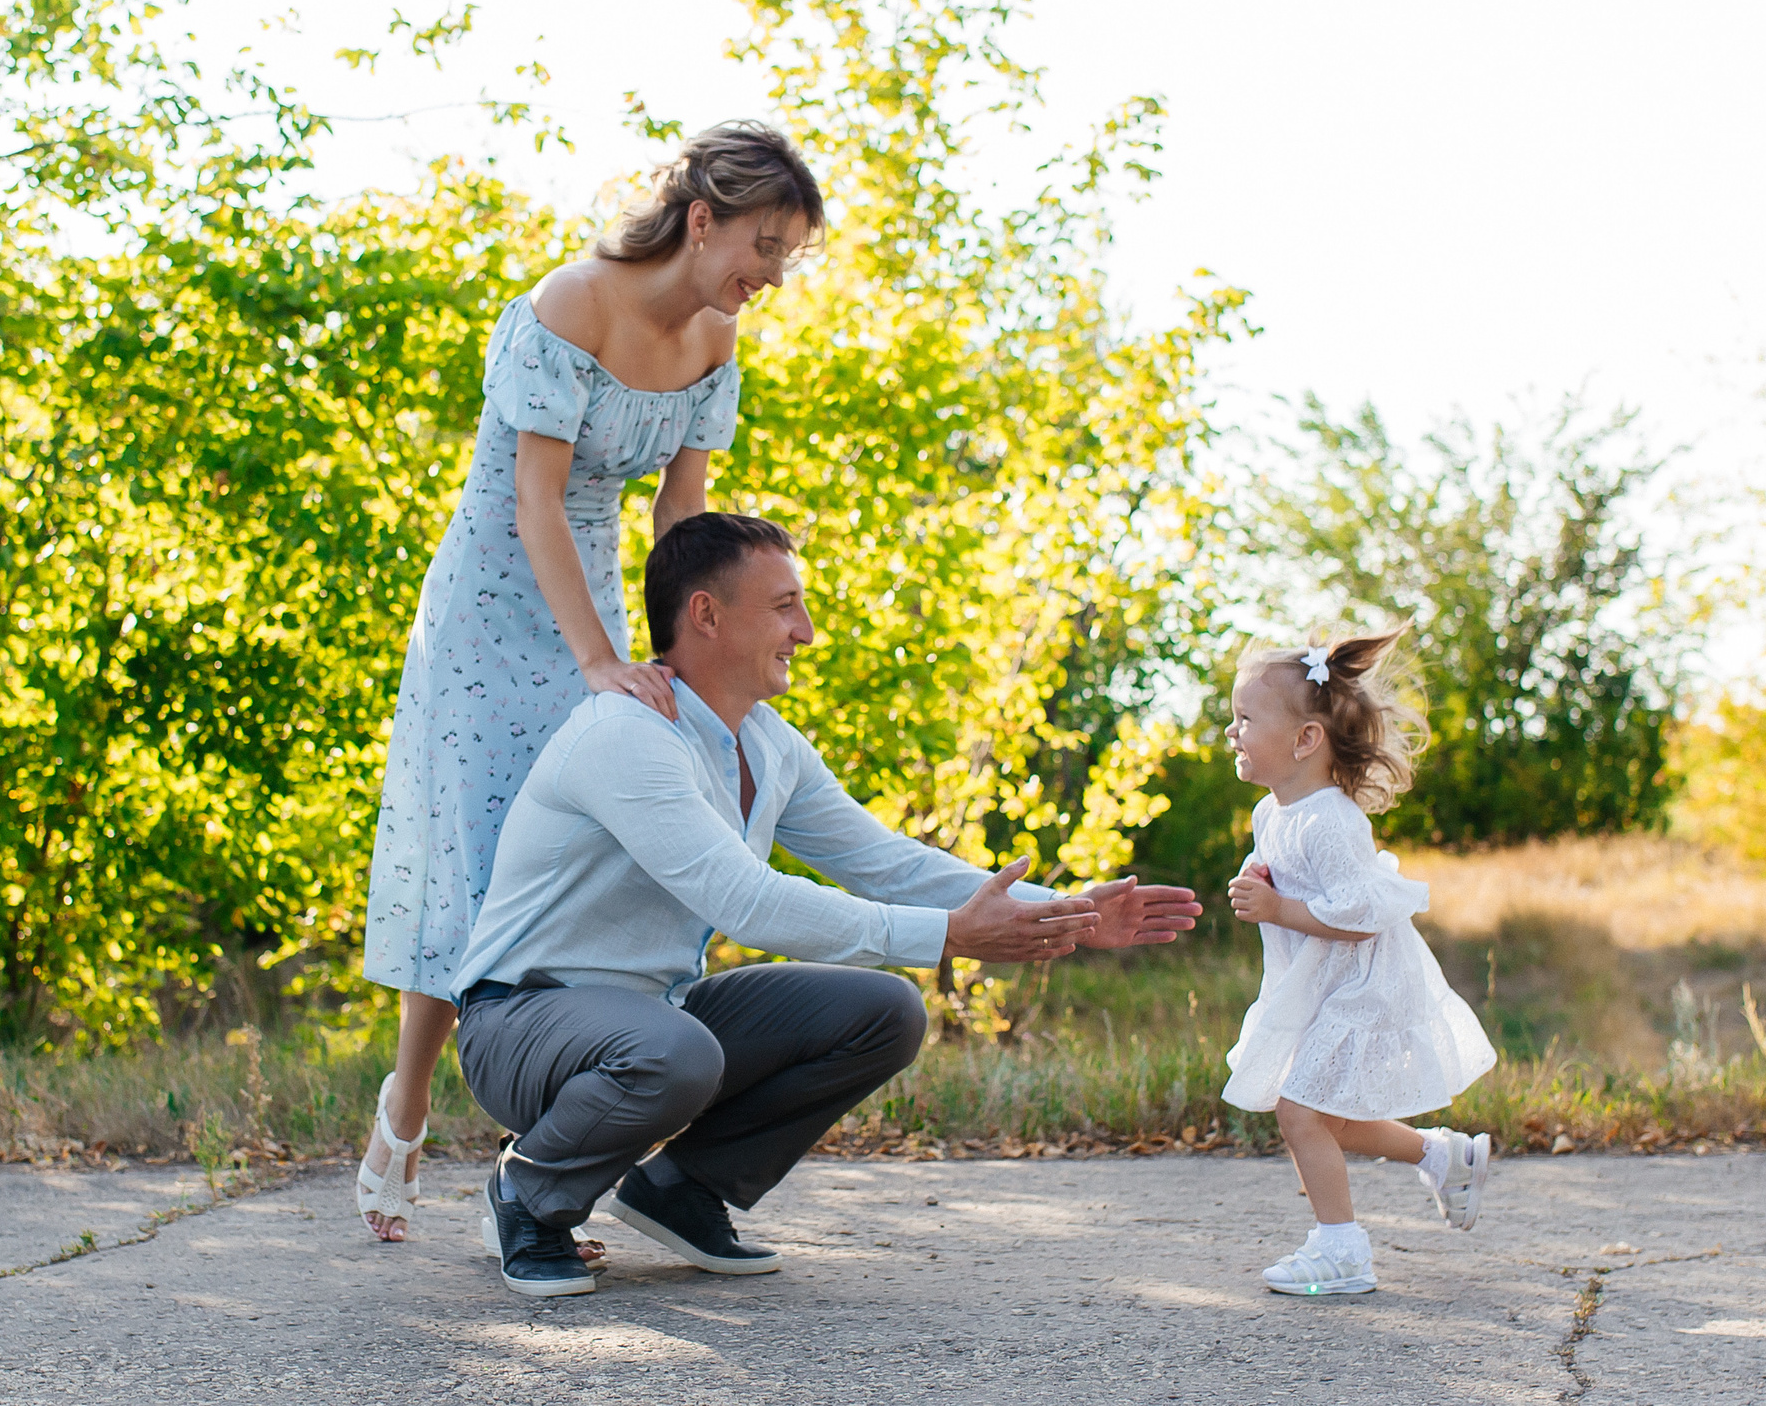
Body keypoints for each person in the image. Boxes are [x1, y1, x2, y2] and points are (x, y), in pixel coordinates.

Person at [452, 512, 1205, 1297]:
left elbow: (886, 863)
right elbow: (743, 899)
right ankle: (529, 1194)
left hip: (654, 1014)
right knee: (678, 1051)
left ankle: (679, 1188)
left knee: (885, 1008)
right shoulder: (626, 735)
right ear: (706, 613)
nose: (805, 631)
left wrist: (1071, 913)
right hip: (522, 1020)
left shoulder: (769, 743)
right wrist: (948, 935)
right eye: (784, 606)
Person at [355, 123, 825, 1243]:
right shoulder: (571, 306)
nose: (769, 276)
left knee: (591, 854)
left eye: (789, 256)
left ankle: (572, 1136)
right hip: (493, 603)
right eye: (763, 246)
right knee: (476, 853)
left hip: (602, 606)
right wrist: (597, 664)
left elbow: (684, 517)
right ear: (701, 219)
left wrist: (678, 655)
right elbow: (532, 504)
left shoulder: (716, 340)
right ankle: (407, 1110)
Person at [1219, 634, 1499, 1297]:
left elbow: (1358, 913)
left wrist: (1279, 907)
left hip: (1362, 981)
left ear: (1305, 738)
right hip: (1320, 980)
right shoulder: (1273, 811)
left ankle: (1343, 1249)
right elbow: (1301, 883)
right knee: (1329, 1114)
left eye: (1246, 719)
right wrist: (1264, 877)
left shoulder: (1333, 821)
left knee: (1298, 1110)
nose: (1232, 730)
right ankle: (1445, 1156)